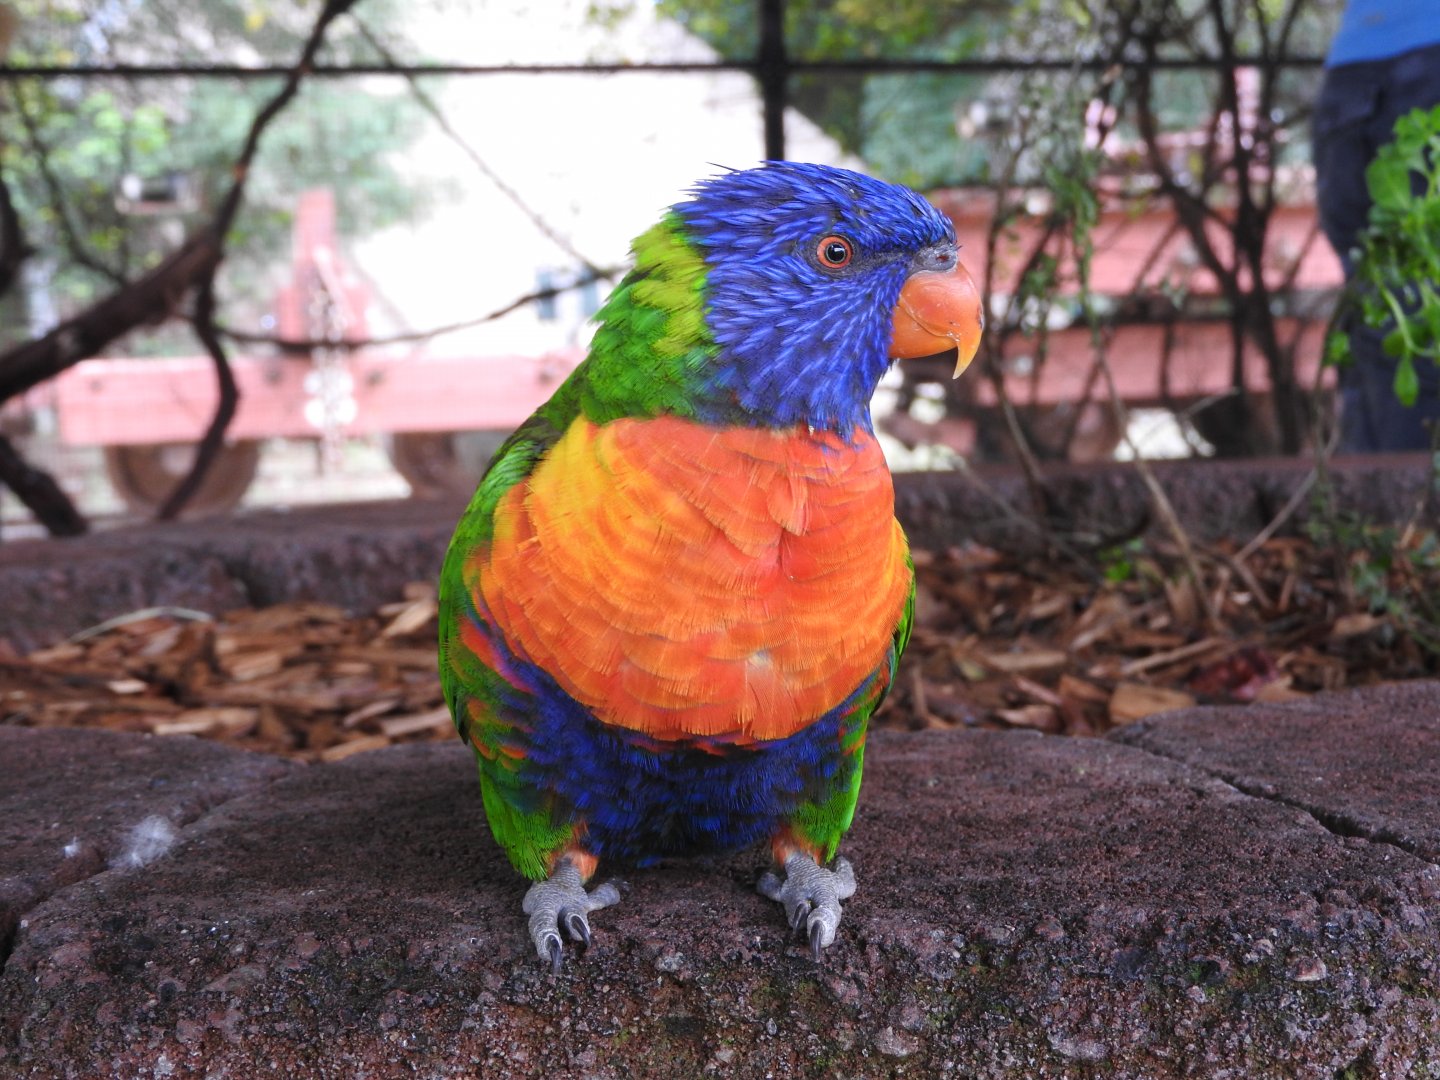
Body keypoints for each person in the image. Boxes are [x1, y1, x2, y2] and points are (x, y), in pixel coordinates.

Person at [1312, 1, 1440, 452]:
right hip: (1428, 67)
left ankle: (1374, 510)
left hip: (1352, 71)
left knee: (1379, 304)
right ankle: (1411, 512)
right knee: (1413, 312)